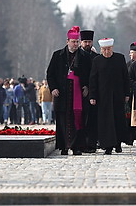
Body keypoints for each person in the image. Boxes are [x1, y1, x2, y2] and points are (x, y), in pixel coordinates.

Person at [47, 26, 91, 156]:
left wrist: (87, 86)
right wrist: (53, 88)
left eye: (77, 42)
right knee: (62, 120)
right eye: (73, 42)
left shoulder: (85, 56)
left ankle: (77, 146)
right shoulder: (57, 55)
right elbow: (50, 74)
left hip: (78, 94)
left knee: (78, 120)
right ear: (67, 41)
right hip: (62, 94)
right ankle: (64, 146)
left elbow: (90, 74)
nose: (75, 44)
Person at [89, 37, 130, 155]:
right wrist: (93, 96)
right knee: (105, 122)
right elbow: (93, 79)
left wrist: (127, 93)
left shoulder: (119, 58)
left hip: (118, 95)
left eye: (108, 49)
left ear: (112, 48)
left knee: (118, 119)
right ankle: (107, 145)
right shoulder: (97, 61)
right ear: (101, 49)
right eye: (104, 49)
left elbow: (125, 77)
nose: (106, 52)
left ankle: (118, 143)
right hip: (103, 97)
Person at [80, 30, 99, 153]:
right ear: (81, 42)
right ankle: (82, 144)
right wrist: (84, 86)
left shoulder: (96, 57)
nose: (87, 44)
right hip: (81, 92)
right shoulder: (77, 56)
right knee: (82, 119)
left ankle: (92, 144)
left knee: (93, 119)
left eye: (89, 42)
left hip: (94, 92)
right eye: (85, 42)